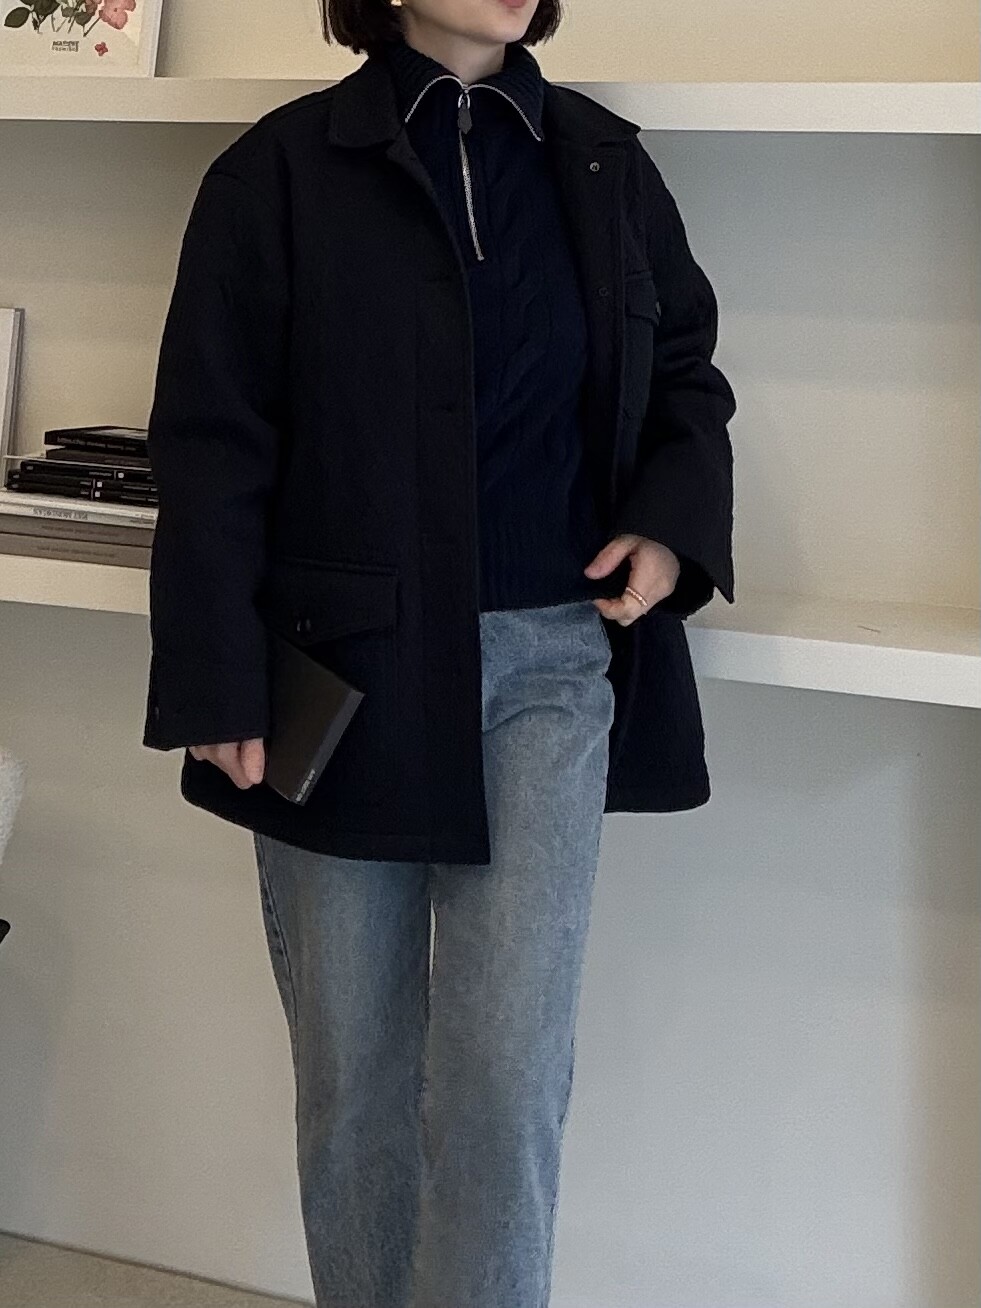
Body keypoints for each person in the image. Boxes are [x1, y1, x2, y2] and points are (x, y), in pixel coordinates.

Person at [141, 1, 736, 1303]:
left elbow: (685, 373)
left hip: (551, 664)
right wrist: (214, 675)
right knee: (354, 1079)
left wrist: (668, 524)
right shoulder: (276, 172)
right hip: (335, 673)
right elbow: (210, 435)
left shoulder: (602, 161)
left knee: (504, 1080)